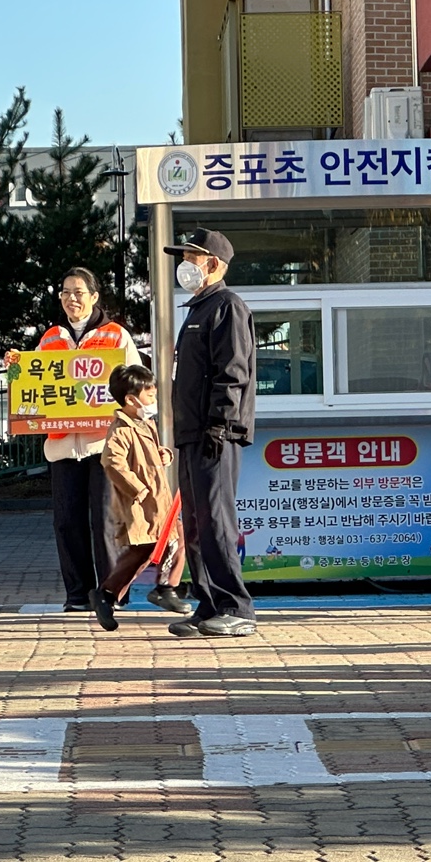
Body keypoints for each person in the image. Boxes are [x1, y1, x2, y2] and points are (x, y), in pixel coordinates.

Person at [13, 268, 142, 613]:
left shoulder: (116, 336)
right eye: (66, 292)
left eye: (79, 292)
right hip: (62, 445)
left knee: (107, 522)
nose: (72, 298)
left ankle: (113, 593)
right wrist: (14, 369)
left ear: (95, 296)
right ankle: (78, 595)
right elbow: (32, 387)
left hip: (106, 447)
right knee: (67, 521)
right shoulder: (51, 338)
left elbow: (140, 389)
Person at [165, 228, 258, 638]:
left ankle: (236, 606)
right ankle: (207, 603)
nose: (185, 265)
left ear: (214, 264)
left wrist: (219, 424)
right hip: (191, 433)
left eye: (192, 257)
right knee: (196, 522)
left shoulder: (227, 307)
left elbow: (233, 374)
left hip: (215, 434)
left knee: (216, 519)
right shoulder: (196, 309)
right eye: (183, 257)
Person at [89, 365, 189, 632]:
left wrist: (162, 454)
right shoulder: (121, 430)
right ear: (131, 400)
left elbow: (150, 453)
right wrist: (138, 489)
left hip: (158, 500)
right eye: (150, 397)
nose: (153, 402)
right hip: (140, 505)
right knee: (149, 548)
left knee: (169, 541)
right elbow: (112, 462)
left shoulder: (145, 424)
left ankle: (112, 594)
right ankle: (159, 587)